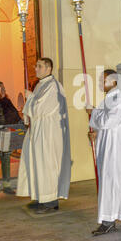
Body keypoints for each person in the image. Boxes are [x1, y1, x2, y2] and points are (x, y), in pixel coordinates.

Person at [87, 69, 121, 236]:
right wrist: (94, 132)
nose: (99, 83)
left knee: (110, 183)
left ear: (113, 81)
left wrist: (93, 112)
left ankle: (108, 221)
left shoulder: (119, 100)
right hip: (107, 146)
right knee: (110, 182)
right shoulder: (109, 99)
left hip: (115, 149)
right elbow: (103, 123)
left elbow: (108, 120)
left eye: (102, 80)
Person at [16, 58, 72, 214]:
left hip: (48, 133)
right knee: (36, 163)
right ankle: (40, 197)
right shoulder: (41, 84)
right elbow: (34, 108)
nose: (36, 69)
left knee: (46, 165)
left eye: (39, 66)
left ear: (48, 68)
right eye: (35, 66)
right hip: (38, 131)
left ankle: (50, 202)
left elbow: (40, 109)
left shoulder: (53, 86)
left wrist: (31, 98)